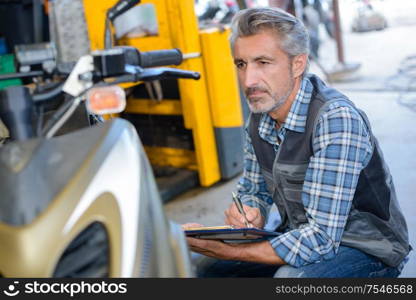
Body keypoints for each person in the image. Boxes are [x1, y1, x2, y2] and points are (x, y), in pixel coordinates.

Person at [183, 7, 411, 278]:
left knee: (290, 280)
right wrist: (250, 210)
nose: (248, 80)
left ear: (297, 64)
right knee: (204, 268)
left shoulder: (335, 120)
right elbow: (253, 189)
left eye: (263, 63)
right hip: (301, 234)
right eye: (241, 64)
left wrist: (230, 250)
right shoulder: (260, 116)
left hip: (369, 249)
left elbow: (320, 240)